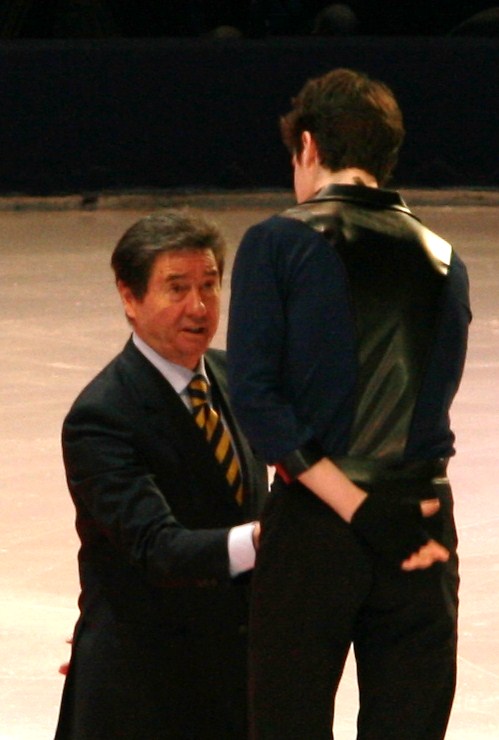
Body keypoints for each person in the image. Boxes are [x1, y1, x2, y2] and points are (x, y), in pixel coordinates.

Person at [227, 68, 470, 738]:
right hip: (422, 527)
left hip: (316, 531)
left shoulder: (276, 241)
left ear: (307, 146)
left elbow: (254, 397)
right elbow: (432, 407)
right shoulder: (444, 258)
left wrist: (357, 507)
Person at [54, 210, 268, 739]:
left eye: (209, 286)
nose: (198, 307)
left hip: (234, 682)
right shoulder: (101, 417)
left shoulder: (231, 376)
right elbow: (159, 548)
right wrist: (272, 541)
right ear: (130, 297)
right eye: (177, 288)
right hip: (145, 694)